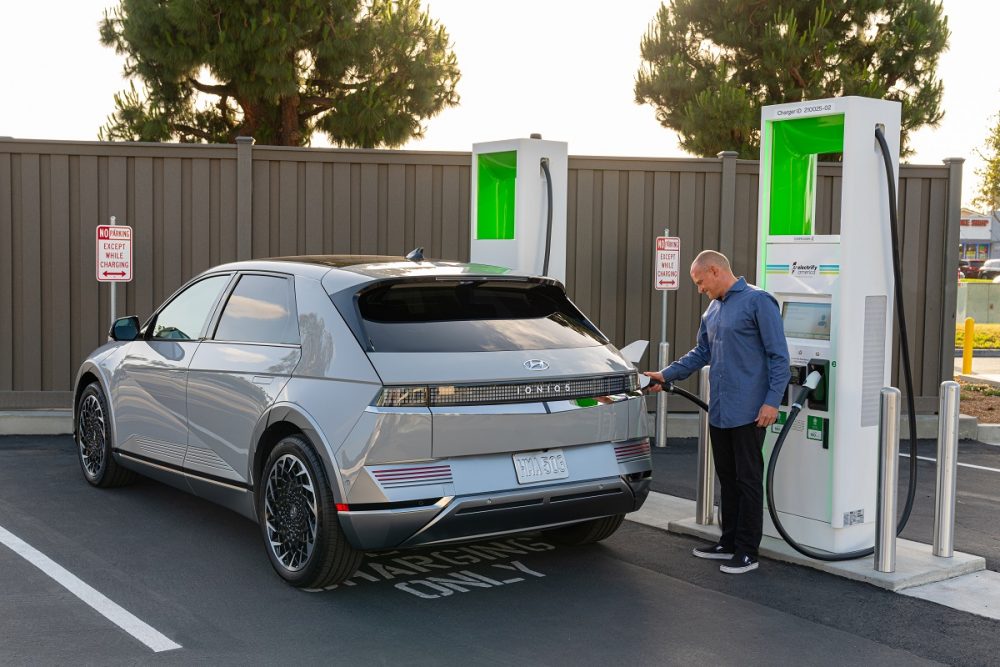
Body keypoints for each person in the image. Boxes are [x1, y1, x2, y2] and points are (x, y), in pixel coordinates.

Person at [645, 250, 790, 574]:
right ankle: (728, 541)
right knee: (728, 478)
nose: (699, 290)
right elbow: (701, 353)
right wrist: (665, 375)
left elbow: (779, 356)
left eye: (700, 282)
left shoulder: (758, 301)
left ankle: (748, 552)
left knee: (748, 480)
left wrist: (772, 402)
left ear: (714, 271)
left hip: (751, 411)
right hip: (721, 410)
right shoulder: (713, 310)